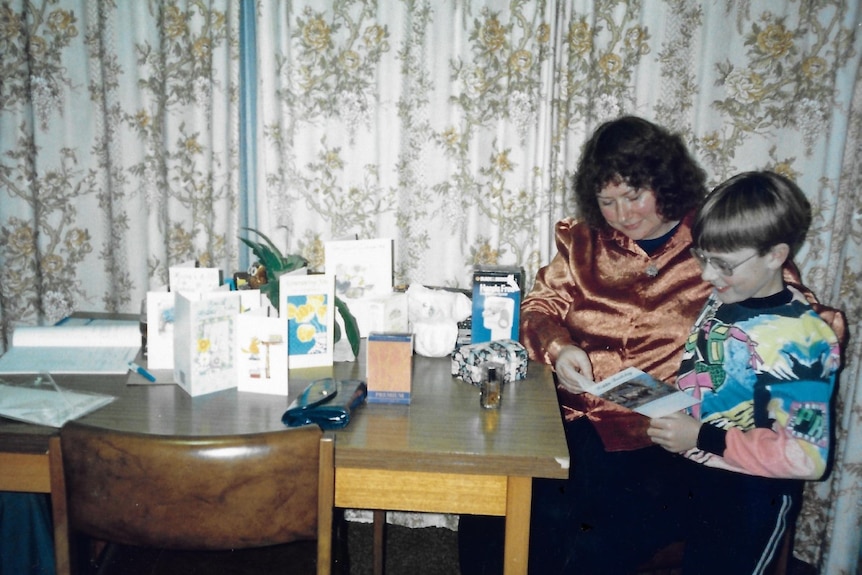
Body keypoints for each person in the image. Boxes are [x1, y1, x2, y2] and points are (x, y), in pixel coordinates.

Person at [646, 171, 843, 574]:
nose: (706, 275)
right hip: (700, 474)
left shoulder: (802, 342)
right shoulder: (724, 298)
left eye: (723, 264)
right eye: (702, 258)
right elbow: (711, 378)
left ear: (775, 255)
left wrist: (700, 435)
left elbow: (807, 457)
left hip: (753, 494)